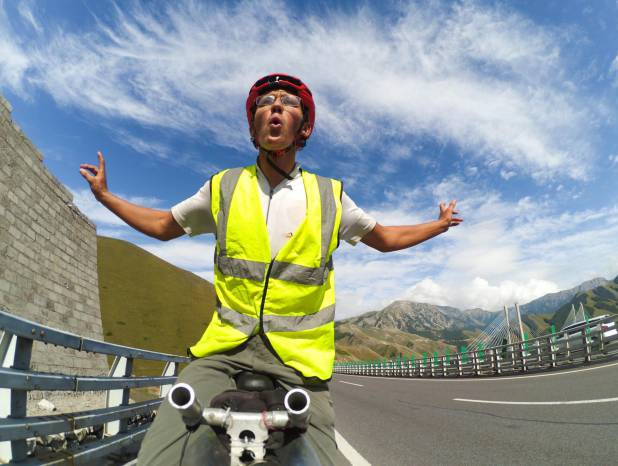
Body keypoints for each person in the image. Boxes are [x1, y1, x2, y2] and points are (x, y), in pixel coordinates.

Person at [80, 73, 462, 465]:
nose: (275, 106)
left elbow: (384, 238)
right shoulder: (223, 187)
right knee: (161, 452)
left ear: (304, 127)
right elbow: (163, 226)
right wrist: (106, 197)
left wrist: (438, 225)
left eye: (288, 102)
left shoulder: (330, 195)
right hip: (224, 351)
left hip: (299, 363)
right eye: (265, 101)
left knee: (325, 457)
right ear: (254, 124)